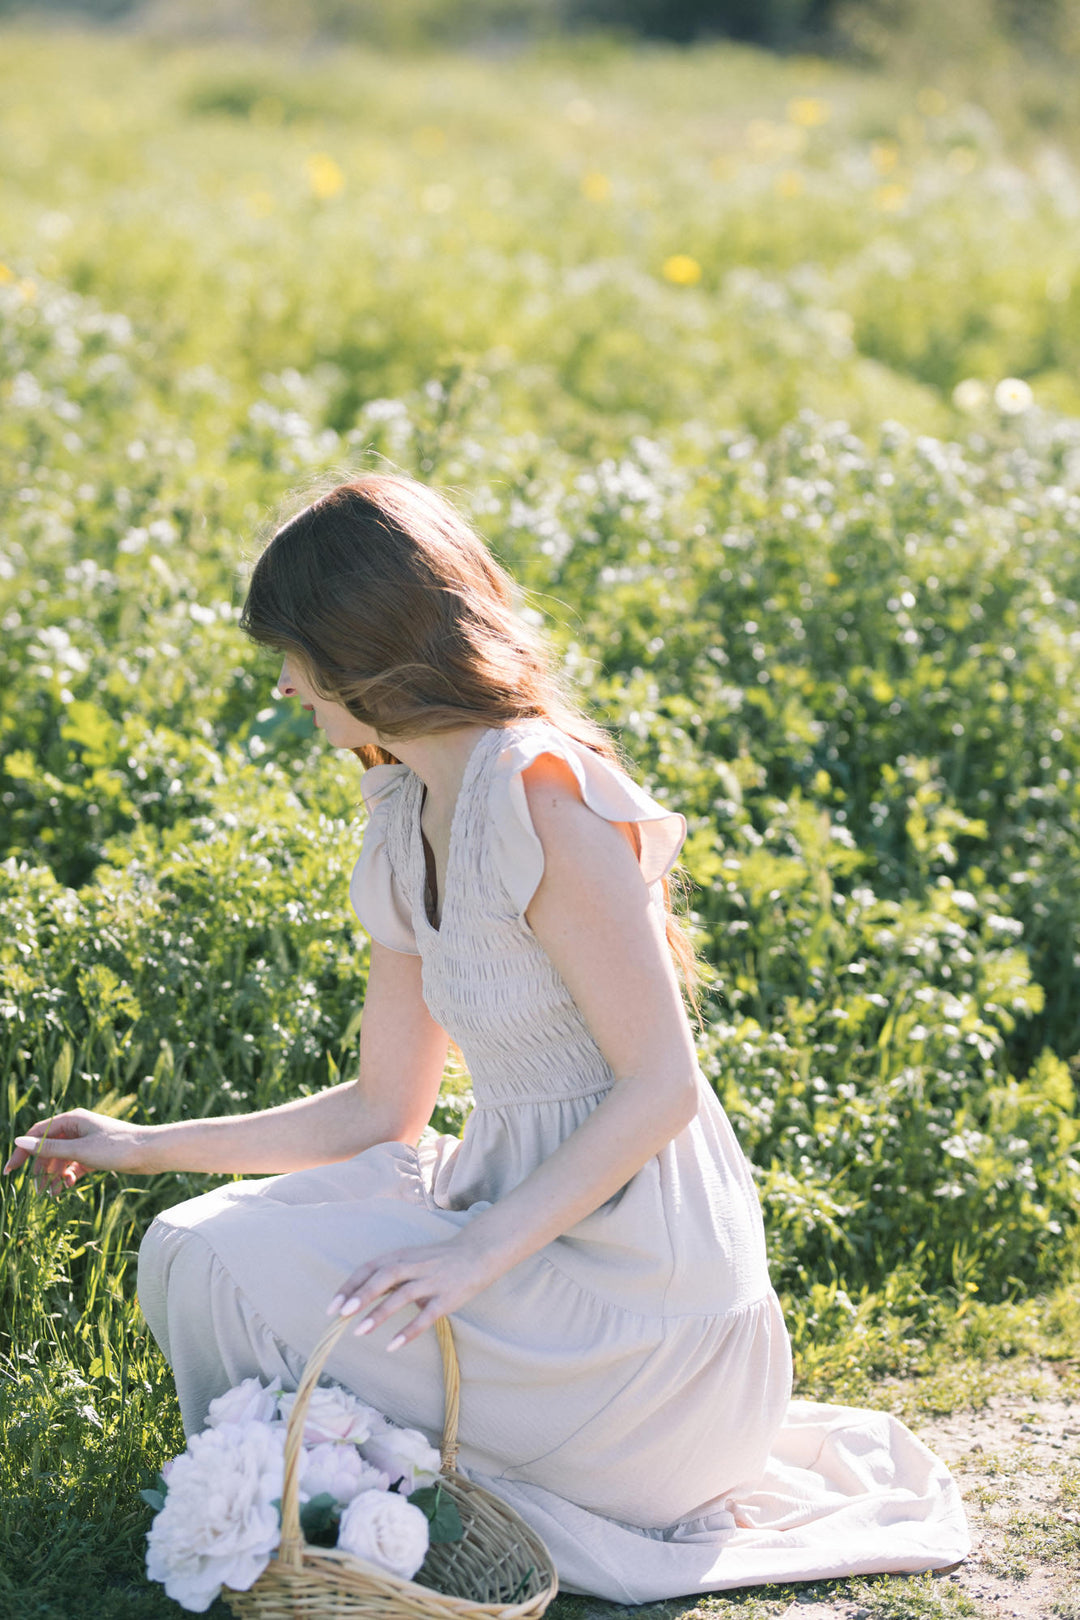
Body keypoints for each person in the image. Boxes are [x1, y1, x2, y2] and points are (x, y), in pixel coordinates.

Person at [4, 475, 968, 1601]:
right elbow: (380, 1110)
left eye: (296, 657)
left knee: (224, 1263)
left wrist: (474, 1251)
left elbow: (661, 1085)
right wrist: (143, 1141)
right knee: (186, 1245)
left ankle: (344, 1509)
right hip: (517, 1235)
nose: (283, 685)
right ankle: (318, 1511)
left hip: (646, 1308)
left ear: (361, 654)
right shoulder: (404, 806)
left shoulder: (541, 793)